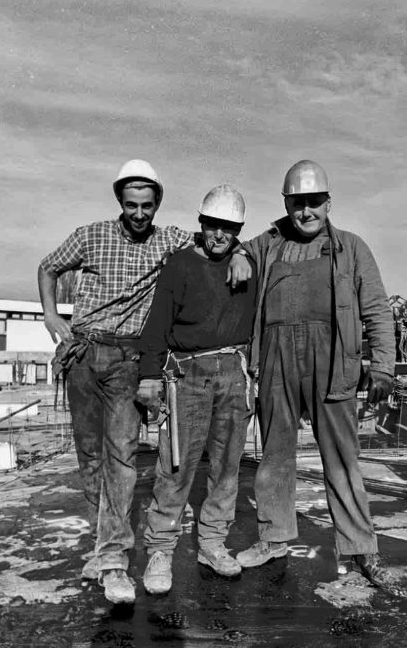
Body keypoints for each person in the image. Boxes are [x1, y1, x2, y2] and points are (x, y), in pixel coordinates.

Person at [227, 160, 396, 587]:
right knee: (275, 457)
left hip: (334, 361)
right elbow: (232, 247)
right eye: (298, 203)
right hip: (277, 361)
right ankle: (273, 538)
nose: (306, 212)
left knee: (342, 461)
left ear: (328, 202)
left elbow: (377, 310)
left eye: (314, 203)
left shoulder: (352, 248)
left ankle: (361, 549)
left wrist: (383, 368)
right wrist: (239, 256)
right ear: (286, 203)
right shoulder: (268, 243)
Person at [37, 159, 193, 604]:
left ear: (157, 202)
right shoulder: (89, 235)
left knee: (122, 456)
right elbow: (48, 267)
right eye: (131, 205)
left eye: (147, 205)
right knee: (89, 457)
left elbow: (213, 242)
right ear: (119, 202)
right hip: (84, 353)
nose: (139, 213)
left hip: (128, 358)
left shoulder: (171, 238)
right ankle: (102, 542)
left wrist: (239, 254)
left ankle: (115, 561)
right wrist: (51, 314)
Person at [135, 184, 258, 595]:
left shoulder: (247, 264)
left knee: (226, 466)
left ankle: (212, 544)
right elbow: (156, 325)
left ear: (239, 230)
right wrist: (150, 376)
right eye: (213, 226)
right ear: (201, 224)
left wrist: (243, 256)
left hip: (233, 372)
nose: (220, 235)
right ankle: (160, 550)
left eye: (230, 229)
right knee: (175, 465)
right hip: (186, 374)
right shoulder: (180, 265)